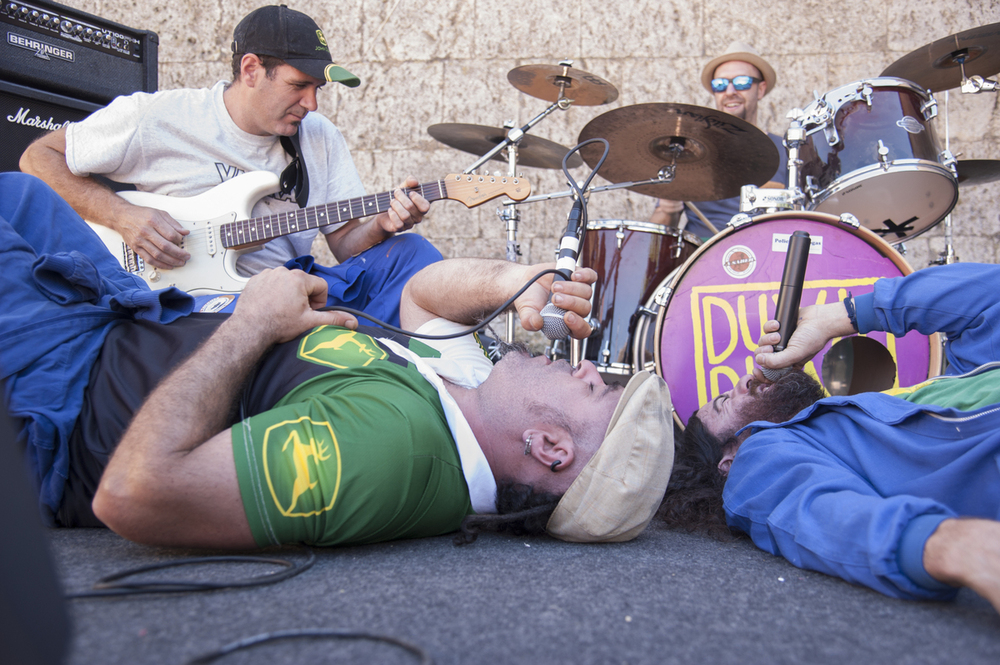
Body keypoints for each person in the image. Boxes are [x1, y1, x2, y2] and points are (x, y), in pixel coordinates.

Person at [0, 172, 674, 549]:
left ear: (550, 446)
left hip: (62, 386)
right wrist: (513, 282)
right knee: (25, 195)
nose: (592, 369)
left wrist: (253, 323)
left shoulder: (386, 447)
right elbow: (423, 292)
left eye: (599, 394)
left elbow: (135, 494)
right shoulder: (469, 406)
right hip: (127, 317)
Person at [19, 5, 436, 323]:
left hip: (293, 284)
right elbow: (38, 158)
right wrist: (123, 215)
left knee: (409, 254)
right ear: (251, 69)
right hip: (196, 302)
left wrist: (383, 224)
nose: (311, 104)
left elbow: (344, 245)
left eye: (317, 89)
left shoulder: (320, 135)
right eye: (299, 86)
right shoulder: (158, 117)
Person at [658, 262, 1000, 615]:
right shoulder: (760, 456)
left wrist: (837, 318)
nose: (743, 381)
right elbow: (819, 513)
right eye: (725, 402)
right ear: (729, 462)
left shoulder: (920, 396)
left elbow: (990, 298)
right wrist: (960, 548)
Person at [650, 42, 789, 238]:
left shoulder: (787, 151)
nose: (730, 91)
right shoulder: (690, 151)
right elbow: (657, 238)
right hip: (703, 255)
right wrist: (667, 210)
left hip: (768, 257)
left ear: (760, 89)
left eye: (742, 82)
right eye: (720, 85)